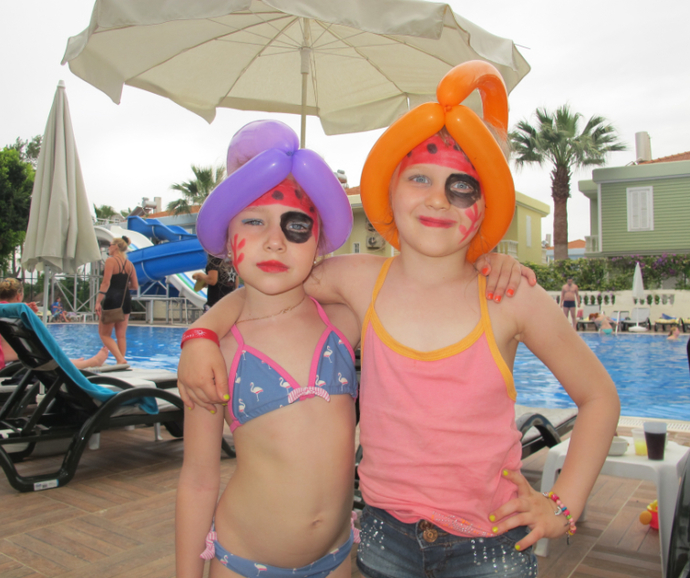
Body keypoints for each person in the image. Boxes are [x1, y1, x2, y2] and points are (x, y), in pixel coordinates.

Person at [179, 61, 620, 577]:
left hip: (489, 544)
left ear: (486, 203)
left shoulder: (509, 295)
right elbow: (268, 286)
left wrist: (563, 506)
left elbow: (599, 397)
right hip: (385, 541)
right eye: (420, 178)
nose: (438, 199)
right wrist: (201, 334)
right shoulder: (360, 281)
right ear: (389, 187)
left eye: (462, 187)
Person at [176, 119, 361, 578]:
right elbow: (198, 480)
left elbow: (419, 282)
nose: (275, 241)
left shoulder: (342, 322)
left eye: (296, 225)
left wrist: (487, 258)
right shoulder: (216, 354)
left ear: (318, 241)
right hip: (244, 564)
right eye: (254, 221)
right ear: (227, 239)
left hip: (338, 558)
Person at [0, 278, 108, 375]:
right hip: (4, 368)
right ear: (19, 296)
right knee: (45, 357)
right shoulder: (9, 319)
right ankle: (89, 362)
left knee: (45, 356)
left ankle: (77, 362)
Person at [95, 236, 138, 364]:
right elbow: (135, 286)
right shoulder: (130, 265)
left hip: (112, 300)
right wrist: (122, 286)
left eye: (110, 245)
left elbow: (105, 283)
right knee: (121, 335)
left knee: (104, 334)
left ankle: (120, 359)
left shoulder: (111, 261)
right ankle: (121, 362)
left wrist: (98, 301)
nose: (108, 247)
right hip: (125, 300)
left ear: (116, 247)